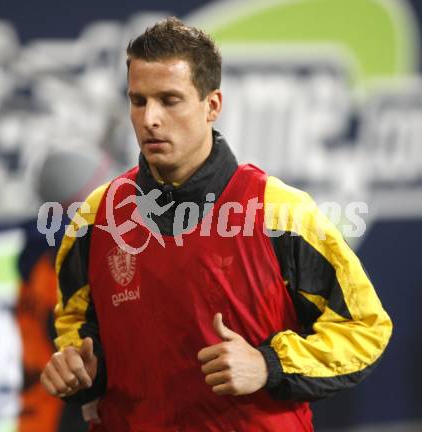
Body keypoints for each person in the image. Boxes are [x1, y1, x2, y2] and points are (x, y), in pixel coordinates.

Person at [40, 17, 392, 431]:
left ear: (212, 106)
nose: (150, 118)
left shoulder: (279, 212)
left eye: (170, 100)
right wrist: (80, 370)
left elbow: (364, 330)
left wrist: (268, 365)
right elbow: (78, 328)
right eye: (138, 101)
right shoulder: (96, 218)